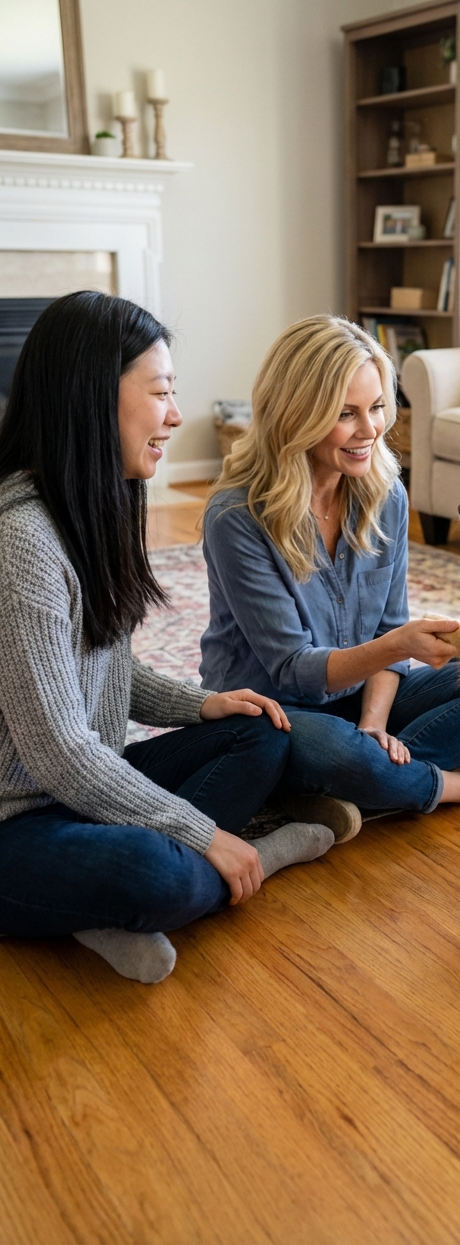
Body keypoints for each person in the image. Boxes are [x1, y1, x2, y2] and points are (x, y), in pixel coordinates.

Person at [0, 292, 335, 986]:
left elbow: (107, 664)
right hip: (15, 822)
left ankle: (97, 906)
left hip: (81, 790)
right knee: (154, 871)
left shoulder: (101, 499)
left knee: (260, 732)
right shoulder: (20, 540)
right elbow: (60, 751)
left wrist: (202, 705)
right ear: (94, 398)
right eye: (161, 393)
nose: (177, 416)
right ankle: (244, 861)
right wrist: (202, 832)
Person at [200, 314, 460, 825]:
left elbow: (392, 626)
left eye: (377, 408)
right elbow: (295, 670)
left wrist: (373, 722)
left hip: (366, 699)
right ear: (295, 415)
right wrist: (398, 647)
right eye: (347, 414)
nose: (371, 430)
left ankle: (361, 780)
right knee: (328, 750)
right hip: (272, 713)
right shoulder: (237, 517)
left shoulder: (384, 491)